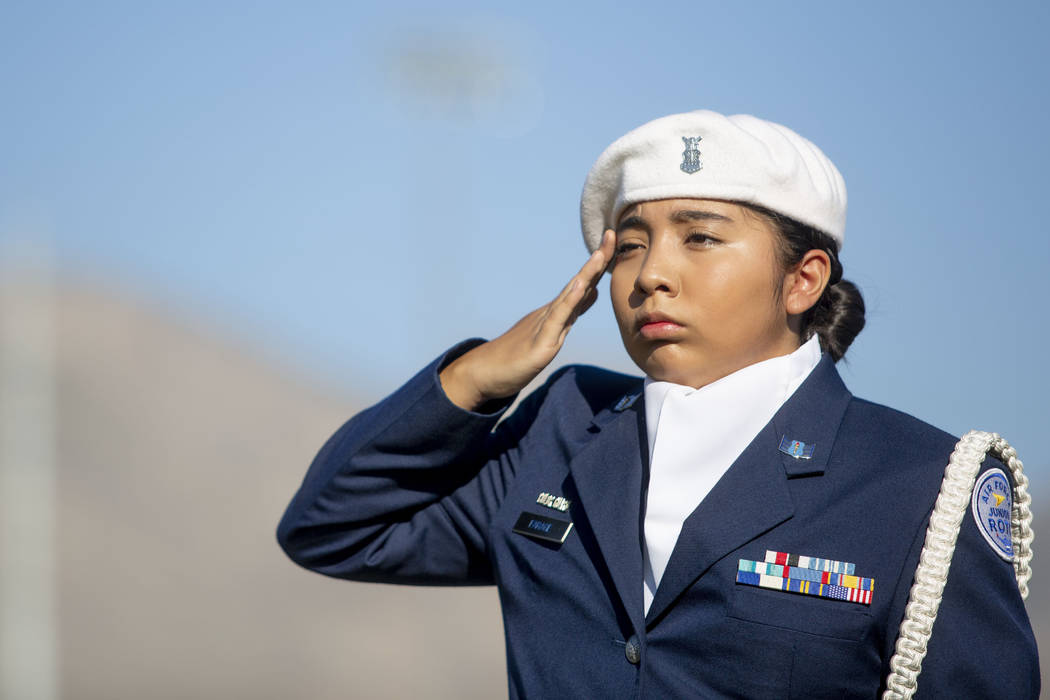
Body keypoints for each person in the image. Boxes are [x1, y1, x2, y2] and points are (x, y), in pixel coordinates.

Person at [277, 110, 1039, 698]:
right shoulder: (565, 427)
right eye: (632, 245)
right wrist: (478, 377)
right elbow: (333, 528)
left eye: (701, 238)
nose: (652, 275)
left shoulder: (919, 484)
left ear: (803, 280)